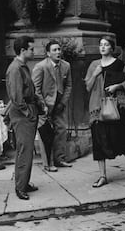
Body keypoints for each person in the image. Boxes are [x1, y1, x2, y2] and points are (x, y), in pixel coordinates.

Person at [85, 36, 125, 188]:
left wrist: (116, 86)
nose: (103, 47)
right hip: (97, 108)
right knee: (99, 141)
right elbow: (88, 86)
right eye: (101, 45)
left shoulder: (118, 64)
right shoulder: (94, 65)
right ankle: (102, 175)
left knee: (116, 138)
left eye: (106, 45)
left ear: (112, 48)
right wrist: (95, 74)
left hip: (114, 106)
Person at [5, 36, 39, 200]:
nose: (34, 51)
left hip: (27, 111)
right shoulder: (15, 69)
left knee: (27, 150)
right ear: (23, 50)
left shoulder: (22, 67)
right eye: (31, 49)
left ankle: (24, 182)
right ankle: (20, 187)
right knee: (24, 150)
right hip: (22, 114)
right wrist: (28, 113)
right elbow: (17, 97)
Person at [32, 40, 73, 172]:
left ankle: (60, 159)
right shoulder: (41, 67)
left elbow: (68, 86)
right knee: (46, 134)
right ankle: (48, 163)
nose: (58, 52)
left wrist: (63, 102)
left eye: (59, 49)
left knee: (61, 130)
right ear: (48, 53)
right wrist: (42, 105)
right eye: (54, 50)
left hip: (59, 105)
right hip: (45, 106)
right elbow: (36, 89)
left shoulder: (66, 66)